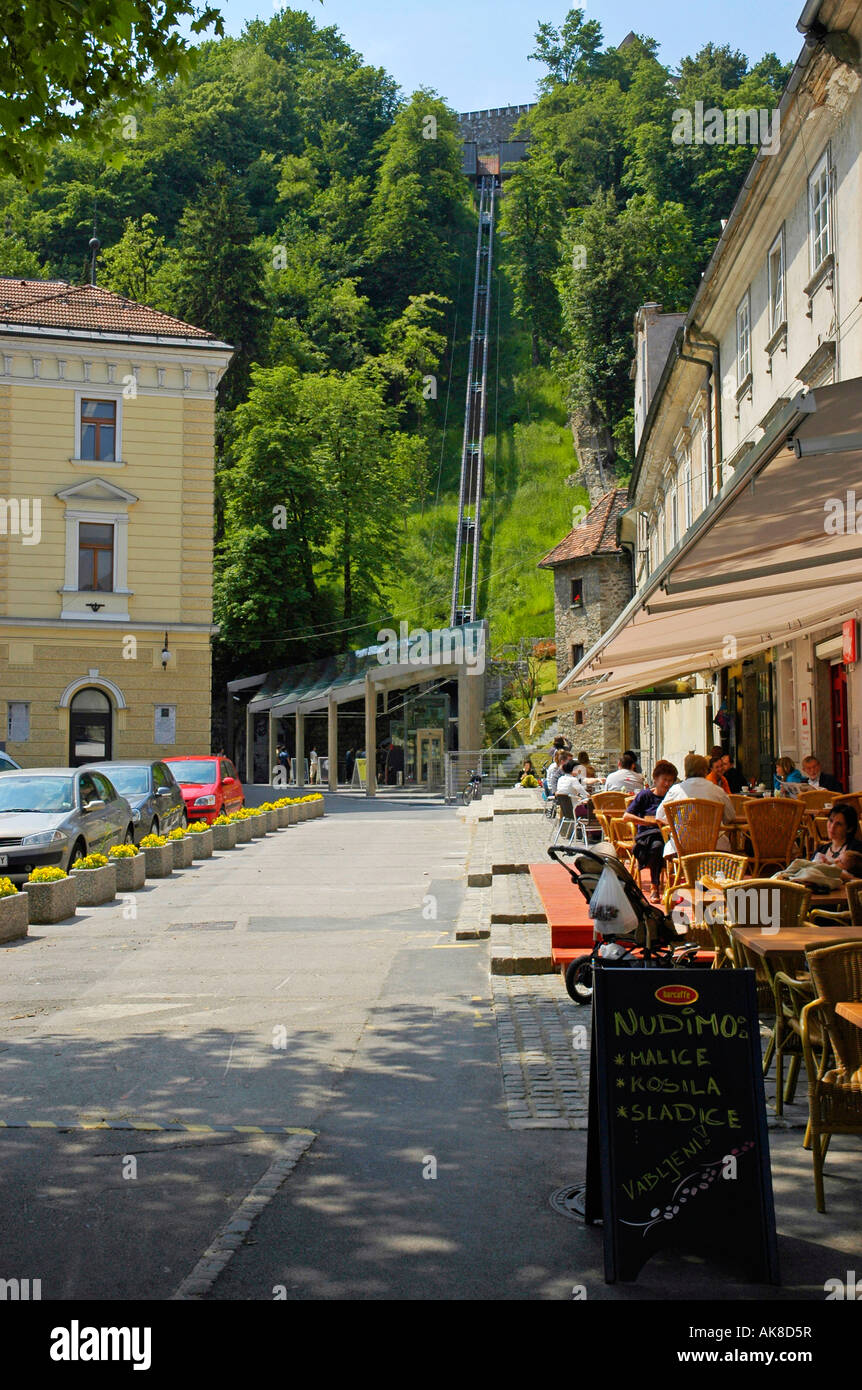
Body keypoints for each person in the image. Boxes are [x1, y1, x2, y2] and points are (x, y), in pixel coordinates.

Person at [655, 752, 735, 857]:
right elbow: (730, 817)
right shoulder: (717, 791)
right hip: (715, 845)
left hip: (681, 847)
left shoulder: (675, 790)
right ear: (706, 770)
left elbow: (659, 816)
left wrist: (677, 822)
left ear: (686, 770)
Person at [623, 760, 679, 904]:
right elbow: (626, 816)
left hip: (669, 835)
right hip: (647, 835)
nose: (667, 784)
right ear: (656, 779)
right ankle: (655, 886)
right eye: (664, 780)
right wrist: (649, 822)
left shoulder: (673, 797)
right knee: (657, 846)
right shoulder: (645, 795)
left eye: (670, 781)